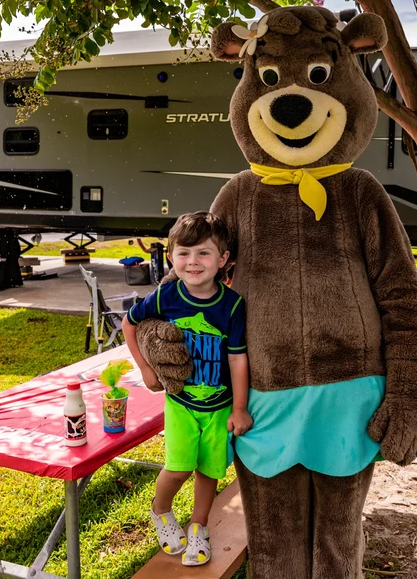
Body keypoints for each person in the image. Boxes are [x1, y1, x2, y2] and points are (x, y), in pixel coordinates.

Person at [123, 211, 251, 567]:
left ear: (223, 259)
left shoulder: (232, 305)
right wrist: (145, 369)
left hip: (219, 406)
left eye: (204, 253)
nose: (193, 262)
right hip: (180, 403)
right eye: (184, 253)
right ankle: (161, 510)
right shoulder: (166, 297)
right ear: (171, 257)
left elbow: (239, 359)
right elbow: (129, 324)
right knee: (178, 468)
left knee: (209, 471)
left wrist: (239, 408)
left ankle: (199, 525)